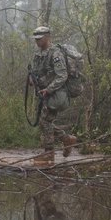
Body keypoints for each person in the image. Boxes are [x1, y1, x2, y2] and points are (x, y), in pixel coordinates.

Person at [28, 26, 76, 162]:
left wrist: (49, 89)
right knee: (44, 121)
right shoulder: (38, 54)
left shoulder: (56, 54)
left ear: (47, 37)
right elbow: (37, 71)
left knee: (44, 121)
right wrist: (32, 79)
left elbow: (62, 76)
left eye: (40, 38)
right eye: (36, 39)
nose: (37, 41)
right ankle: (66, 139)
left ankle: (49, 153)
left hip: (55, 93)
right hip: (43, 93)